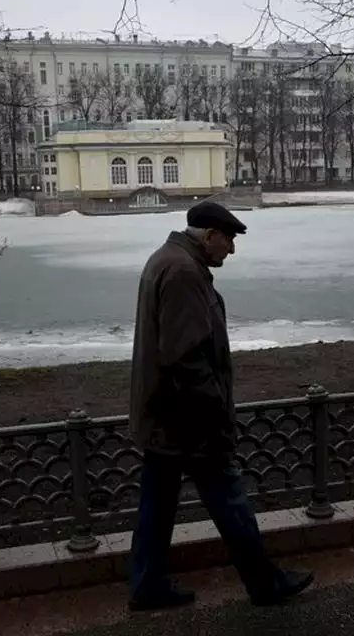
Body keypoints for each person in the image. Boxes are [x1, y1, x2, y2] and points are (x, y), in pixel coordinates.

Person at [127, 200, 314, 611]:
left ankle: (146, 586)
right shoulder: (183, 272)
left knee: (156, 511)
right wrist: (216, 414)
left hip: (165, 418)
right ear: (210, 236)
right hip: (189, 422)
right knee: (230, 504)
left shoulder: (171, 260)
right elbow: (186, 357)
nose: (231, 250)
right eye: (228, 240)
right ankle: (265, 584)